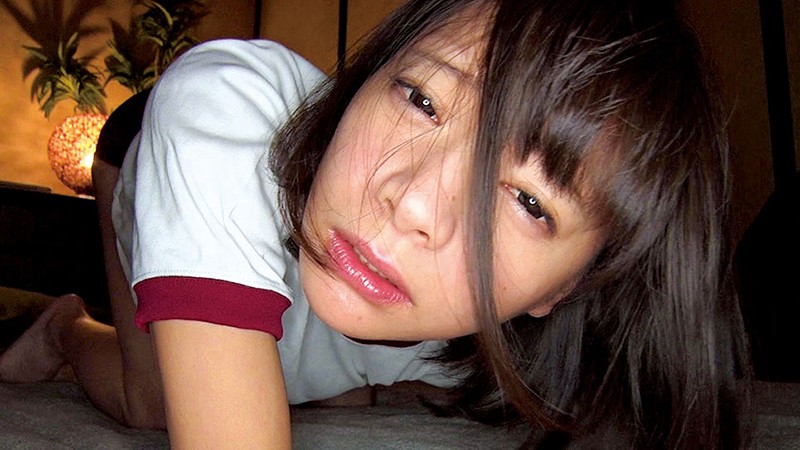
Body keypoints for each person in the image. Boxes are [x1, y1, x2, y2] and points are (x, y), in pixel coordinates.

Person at [0, 0, 750, 447]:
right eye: (422, 99)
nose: (413, 202)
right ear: (372, 73)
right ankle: (66, 328)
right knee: (156, 405)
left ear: (573, 285)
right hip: (144, 151)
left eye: (529, 201)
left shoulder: (528, 343)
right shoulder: (223, 111)